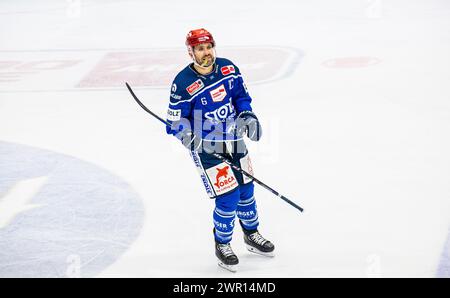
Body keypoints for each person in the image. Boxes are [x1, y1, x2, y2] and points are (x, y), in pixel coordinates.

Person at [165, 28, 274, 272]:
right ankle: (222, 244)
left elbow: (240, 96)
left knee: (246, 188)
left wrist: (247, 115)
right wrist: (188, 137)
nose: (206, 53)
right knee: (228, 197)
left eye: (209, 47)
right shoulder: (182, 83)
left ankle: (251, 234)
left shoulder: (228, 68)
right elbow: (175, 122)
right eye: (200, 49)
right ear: (191, 52)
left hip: (234, 138)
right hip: (207, 147)